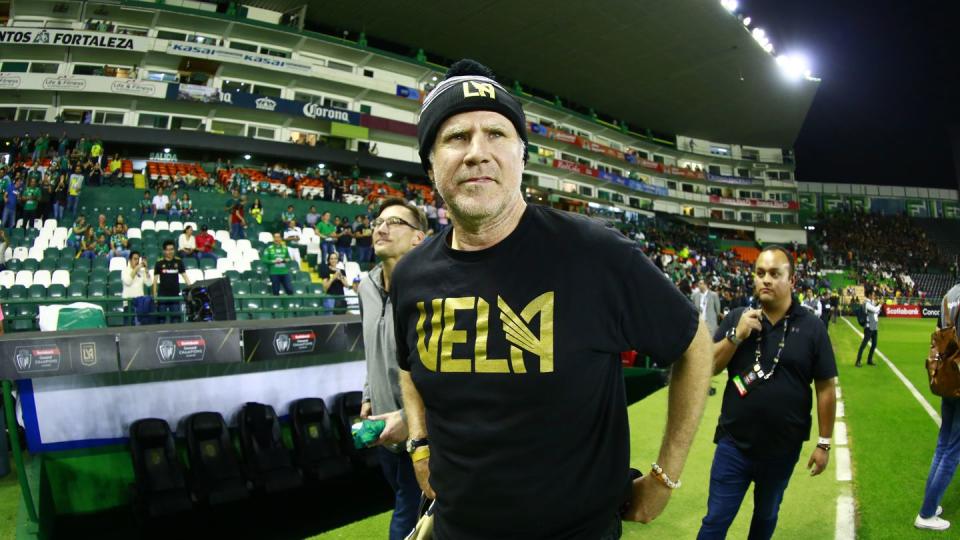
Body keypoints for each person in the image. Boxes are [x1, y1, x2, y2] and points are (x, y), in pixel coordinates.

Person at [392, 59, 713, 539]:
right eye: (455, 137)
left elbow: (694, 344)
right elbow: (408, 364)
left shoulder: (595, 254)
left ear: (522, 156)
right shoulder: (412, 274)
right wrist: (420, 444)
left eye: (496, 134)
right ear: (430, 164)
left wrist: (665, 477)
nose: (477, 152)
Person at [698, 246, 837, 540]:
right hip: (733, 445)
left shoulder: (812, 327)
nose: (766, 280)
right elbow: (707, 367)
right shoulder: (737, 316)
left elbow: (825, 387)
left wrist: (824, 443)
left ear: (792, 281)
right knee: (715, 521)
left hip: (782, 450)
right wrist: (735, 336)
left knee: (765, 518)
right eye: (760, 273)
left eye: (775, 274)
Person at [357, 198, 427, 540]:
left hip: (425, 433)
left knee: (406, 522)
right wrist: (368, 395)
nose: (381, 228)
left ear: (419, 238)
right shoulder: (365, 287)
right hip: (384, 432)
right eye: (378, 222)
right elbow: (370, 349)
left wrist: (410, 418)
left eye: (395, 222)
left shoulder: (434, 288)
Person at [914, 282, 960, 531]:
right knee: (953, 450)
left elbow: (939, 334)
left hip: (947, 377)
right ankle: (927, 512)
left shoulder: (949, 295)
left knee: (943, 444)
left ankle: (931, 504)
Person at [152, 239, 190, 323]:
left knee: (176, 320)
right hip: (162, 296)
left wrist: (191, 288)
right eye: (168, 250)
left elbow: (185, 276)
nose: (170, 252)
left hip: (175, 296)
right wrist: (155, 296)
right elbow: (155, 281)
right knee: (161, 321)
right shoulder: (159, 263)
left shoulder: (179, 261)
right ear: (164, 251)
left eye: (172, 249)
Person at [856, 291, 880, 367]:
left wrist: (877, 308)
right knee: (864, 344)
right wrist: (880, 305)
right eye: (873, 294)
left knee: (874, 344)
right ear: (869, 295)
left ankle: (869, 360)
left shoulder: (871, 303)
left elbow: (876, 312)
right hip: (869, 326)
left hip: (874, 325)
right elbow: (876, 310)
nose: (874, 296)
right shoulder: (867, 303)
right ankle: (858, 361)